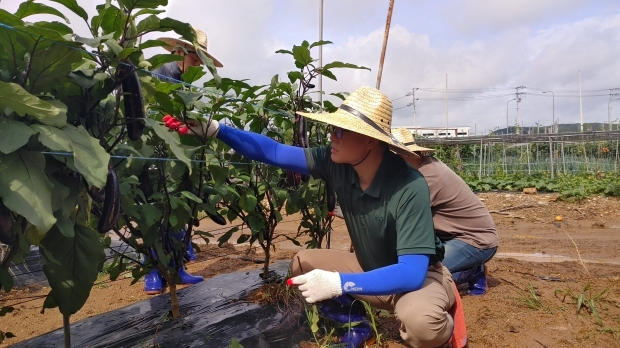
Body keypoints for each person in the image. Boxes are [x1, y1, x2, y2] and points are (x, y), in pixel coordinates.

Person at [164, 87, 464, 348]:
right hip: (368, 269)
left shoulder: (408, 185)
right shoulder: (337, 162)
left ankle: (445, 323)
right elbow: (275, 152)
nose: (332, 136)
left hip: (414, 281)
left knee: (422, 327)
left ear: (370, 141)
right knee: (302, 264)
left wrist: (340, 283)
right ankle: (357, 326)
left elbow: (410, 272)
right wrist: (218, 130)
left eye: (341, 131)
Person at [143, 26, 223, 295]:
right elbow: (153, 113)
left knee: (177, 210)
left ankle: (176, 268)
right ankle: (153, 272)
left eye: (202, 59)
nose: (200, 63)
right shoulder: (162, 73)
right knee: (155, 208)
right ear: (180, 51)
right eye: (196, 57)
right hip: (155, 153)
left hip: (174, 154)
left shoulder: (183, 78)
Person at [391, 128, 498, 295]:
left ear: (404, 155)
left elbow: (396, 215)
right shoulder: (420, 169)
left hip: (475, 241)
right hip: (451, 236)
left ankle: (472, 271)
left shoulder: (425, 178)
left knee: (419, 275)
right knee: (410, 267)